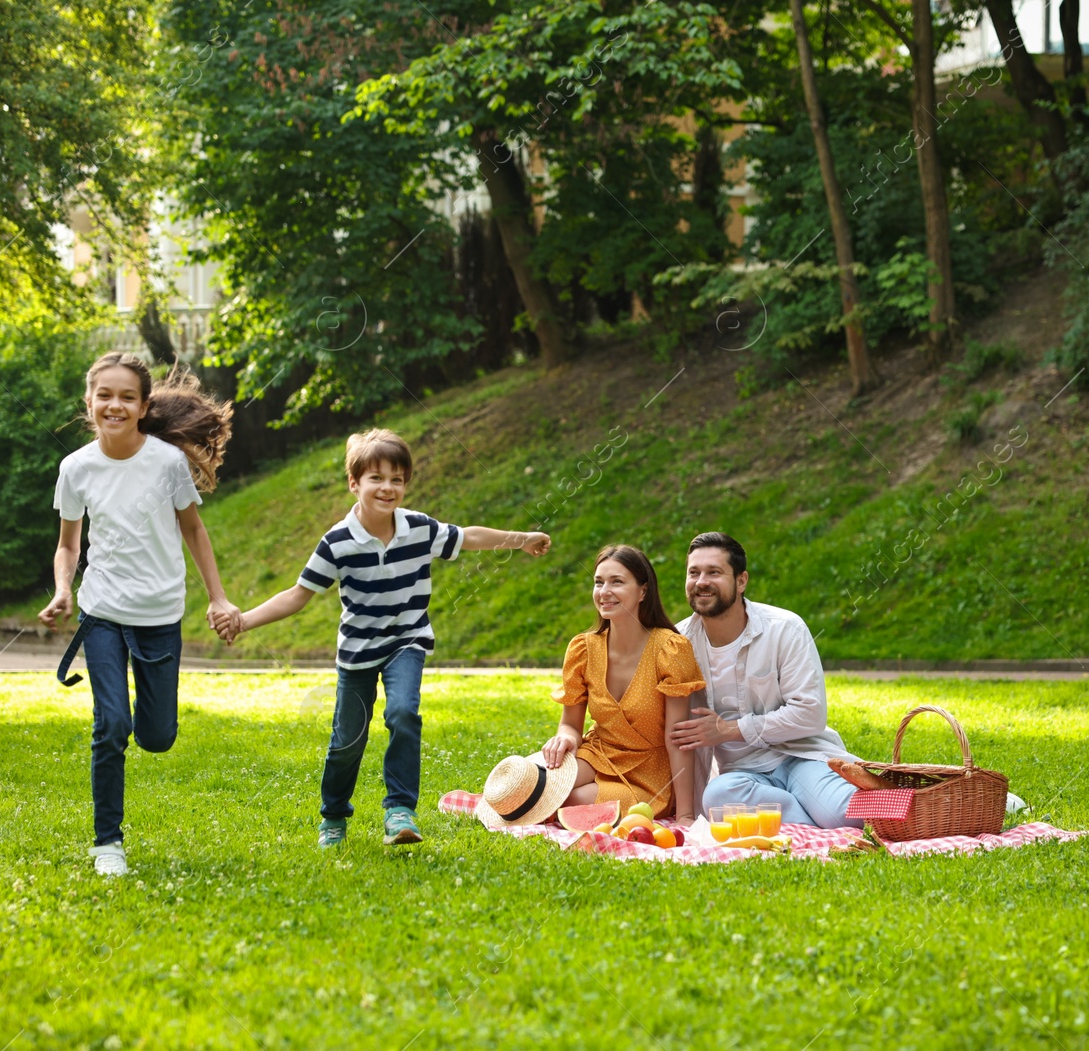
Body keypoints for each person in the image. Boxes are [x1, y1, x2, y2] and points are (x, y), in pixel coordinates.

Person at [215, 429, 550, 848]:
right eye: (376, 478)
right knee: (347, 742)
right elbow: (297, 595)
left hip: (406, 643)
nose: (387, 488)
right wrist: (243, 621)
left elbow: (469, 537)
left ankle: (399, 810)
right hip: (357, 653)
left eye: (396, 479)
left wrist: (520, 541)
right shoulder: (337, 542)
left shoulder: (419, 529)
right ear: (354, 484)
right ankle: (334, 815)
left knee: (404, 714)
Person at [40, 353, 243, 877]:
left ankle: (121, 809)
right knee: (112, 725)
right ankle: (108, 842)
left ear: (143, 406)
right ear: (89, 403)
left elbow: (194, 530)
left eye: (126, 396)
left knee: (156, 736)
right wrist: (64, 588)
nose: (115, 404)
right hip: (102, 611)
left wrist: (218, 597)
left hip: (159, 613)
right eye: (104, 395)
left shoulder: (166, 463)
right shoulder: (76, 468)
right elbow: (68, 544)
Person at [666, 531, 862, 829]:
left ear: (741, 581)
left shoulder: (785, 629)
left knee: (850, 815)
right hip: (742, 776)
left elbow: (810, 714)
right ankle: (812, 820)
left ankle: (806, 813)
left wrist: (729, 730)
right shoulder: (679, 644)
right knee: (716, 797)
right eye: (694, 572)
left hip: (800, 757)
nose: (701, 581)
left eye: (714, 572)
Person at [542, 545, 704, 819]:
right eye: (598, 582)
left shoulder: (670, 649)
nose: (604, 591)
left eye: (616, 582)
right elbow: (570, 723)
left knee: (569, 800)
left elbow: (676, 738)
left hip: (649, 775)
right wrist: (565, 738)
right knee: (536, 787)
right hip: (597, 754)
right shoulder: (583, 648)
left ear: (643, 591)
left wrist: (685, 815)